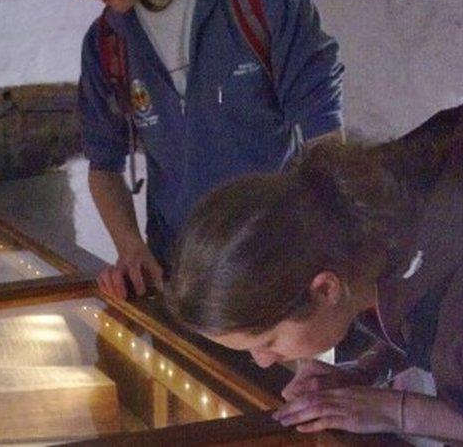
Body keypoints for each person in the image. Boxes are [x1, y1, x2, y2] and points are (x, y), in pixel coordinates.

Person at [40, 0, 344, 298]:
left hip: (278, 271)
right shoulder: (105, 44)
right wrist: (131, 247)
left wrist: (327, 249)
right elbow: (104, 164)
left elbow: (323, 136)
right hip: (180, 279)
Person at [164, 104, 463, 442]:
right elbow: (419, 315)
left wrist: (395, 411)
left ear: (325, 290)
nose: (263, 362)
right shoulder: (361, 225)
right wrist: (368, 371)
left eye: (268, 342)